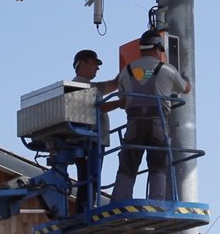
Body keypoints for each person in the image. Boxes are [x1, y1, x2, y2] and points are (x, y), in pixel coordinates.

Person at [110, 30, 191, 202]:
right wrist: (186, 78)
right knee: (158, 165)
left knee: (128, 164)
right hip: (158, 123)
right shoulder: (167, 70)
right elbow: (185, 89)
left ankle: (121, 200)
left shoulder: (126, 71)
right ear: (157, 49)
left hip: (134, 124)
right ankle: (157, 201)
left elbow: (123, 101)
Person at [71, 49, 120, 213]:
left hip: (92, 140)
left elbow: (112, 84)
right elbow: (101, 104)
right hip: (89, 141)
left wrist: (126, 73)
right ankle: (85, 209)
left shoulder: (90, 87)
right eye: (94, 63)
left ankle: (86, 207)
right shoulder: (80, 86)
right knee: (89, 178)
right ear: (81, 64)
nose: (97, 69)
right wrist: (120, 103)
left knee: (89, 179)